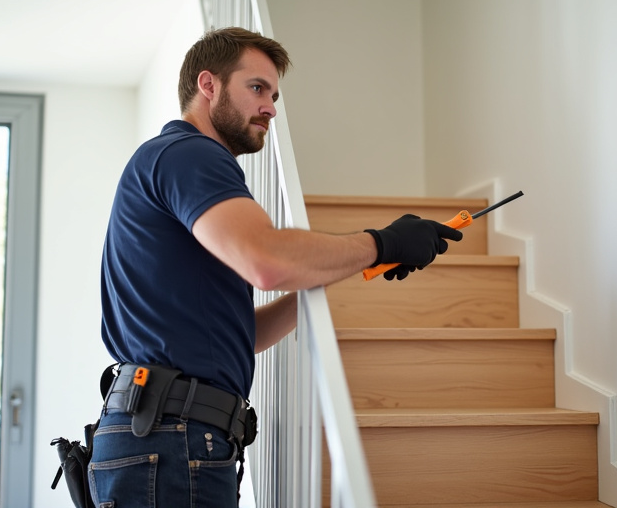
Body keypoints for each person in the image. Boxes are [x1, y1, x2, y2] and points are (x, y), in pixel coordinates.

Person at [90, 27, 462, 508]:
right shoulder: (191, 154)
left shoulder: (171, 162)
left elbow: (245, 333)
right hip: (171, 435)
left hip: (162, 433)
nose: (270, 107)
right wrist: (381, 241)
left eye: (274, 94)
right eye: (257, 88)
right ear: (208, 85)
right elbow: (267, 262)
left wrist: (348, 265)